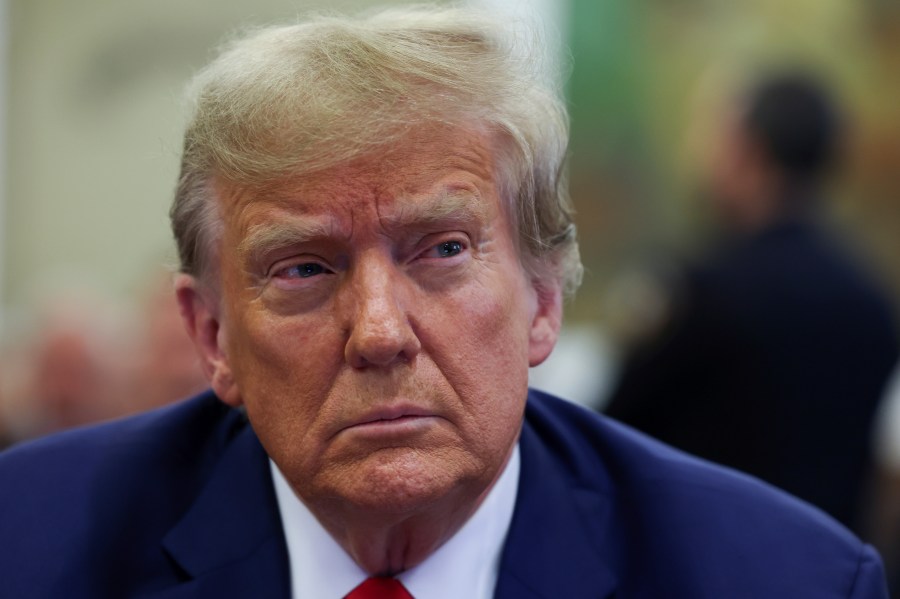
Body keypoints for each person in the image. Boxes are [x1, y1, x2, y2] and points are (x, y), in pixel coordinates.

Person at [0, 8, 889, 598]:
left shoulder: (786, 579)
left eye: (444, 250)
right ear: (211, 334)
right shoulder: (27, 549)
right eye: (305, 268)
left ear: (544, 298)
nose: (380, 332)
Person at [604, 72, 899, 531]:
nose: (696, 152)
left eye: (710, 133)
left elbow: (614, 434)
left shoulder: (702, 294)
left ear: (748, 151)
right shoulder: (871, 301)